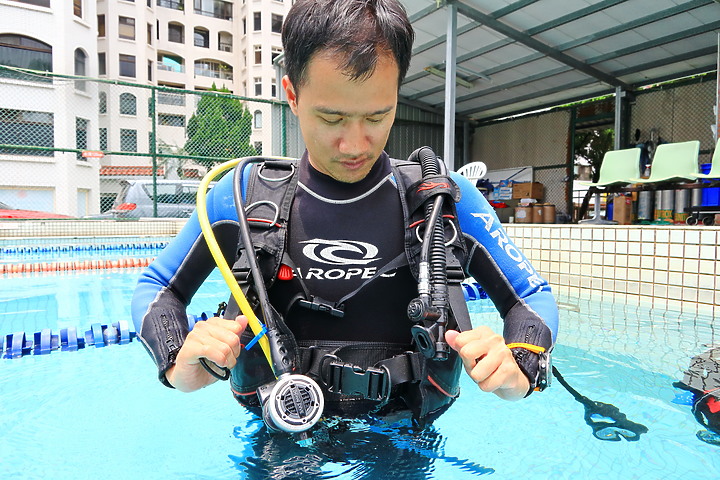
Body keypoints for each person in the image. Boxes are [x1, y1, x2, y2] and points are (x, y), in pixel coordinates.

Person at [132, 0, 559, 431]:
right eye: (331, 117)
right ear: (292, 95)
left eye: (378, 115)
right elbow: (158, 287)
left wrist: (518, 369)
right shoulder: (240, 198)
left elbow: (530, 297)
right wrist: (175, 361)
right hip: (282, 435)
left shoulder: (446, 201)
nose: (355, 144)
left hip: (403, 435)